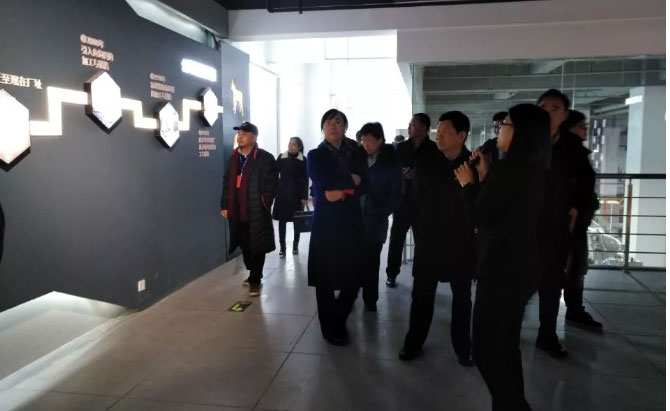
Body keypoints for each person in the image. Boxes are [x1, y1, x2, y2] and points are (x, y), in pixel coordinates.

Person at [455, 104, 550, 411]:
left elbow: (479, 216)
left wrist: (468, 185)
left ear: (520, 132)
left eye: (505, 124)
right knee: (506, 346)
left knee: (485, 350)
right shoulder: (534, 167)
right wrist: (487, 177)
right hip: (522, 266)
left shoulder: (509, 169)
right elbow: (505, 210)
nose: (500, 130)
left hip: (501, 269)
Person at [399, 111, 475, 366]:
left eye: (445, 132)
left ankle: (463, 347)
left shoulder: (474, 164)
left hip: (461, 243)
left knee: (462, 298)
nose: (439, 136)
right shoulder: (427, 161)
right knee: (421, 296)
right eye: (437, 131)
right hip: (429, 240)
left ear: (462, 136)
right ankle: (413, 342)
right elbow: (416, 199)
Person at [536, 89, 596, 358]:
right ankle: (505, 333)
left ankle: (547, 335)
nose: (548, 112)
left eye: (555, 108)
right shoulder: (524, 139)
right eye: (543, 107)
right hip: (524, 224)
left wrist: (577, 209)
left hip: (556, 225)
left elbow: (586, 182)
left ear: (564, 114)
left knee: (551, 282)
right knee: (516, 282)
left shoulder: (572, 146)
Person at [307, 109, 367, 346]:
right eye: (329, 122)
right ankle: (329, 329)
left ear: (345, 127)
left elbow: (365, 183)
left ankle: (339, 319)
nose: (333, 125)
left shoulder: (357, 152)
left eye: (338, 122)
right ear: (323, 127)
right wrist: (350, 182)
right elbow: (322, 183)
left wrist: (338, 190)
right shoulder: (315, 155)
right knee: (324, 278)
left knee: (353, 275)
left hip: (352, 220)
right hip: (326, 222)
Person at [220, 122, 279, 297]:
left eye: (244, 134)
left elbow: (273, 182)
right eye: (239, 133)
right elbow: (226, 183)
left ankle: (255, 279)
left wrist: (265, 201)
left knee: (258, 244)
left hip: (257, 208)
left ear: (254, 137)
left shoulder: (265, 158)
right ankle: (253, 272)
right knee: (244, 243)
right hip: (237, 209)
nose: (240, 137)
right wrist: (225, 205)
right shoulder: (233, 158)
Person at [560, 110, 602, 329]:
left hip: (575, 222)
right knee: (573, 268)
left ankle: (574, 309)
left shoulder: (572, 150)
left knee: (572, 268)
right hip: (571, 223)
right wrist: (575, 209)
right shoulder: (570, 151)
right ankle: (574, 310)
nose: (585, 129)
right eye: (581, 125)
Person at [385, 113, 437, 287]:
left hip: (424, 203)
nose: (409, 128)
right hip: (403, 202)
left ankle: (421, 274)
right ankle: (391, 273)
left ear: (424, 128)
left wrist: (418, 175)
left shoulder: (433, 149)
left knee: (423, 242)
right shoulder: (400, 148)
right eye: (409, 124)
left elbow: (437, 175)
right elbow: (392, 170)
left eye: (413, 125)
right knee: (396, 239)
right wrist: (402, 173)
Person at [358, 122, 403, 312]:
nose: (366, 145)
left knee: (372, 260)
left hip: (376, 219)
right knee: (354, 259)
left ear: (380, 140)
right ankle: (350, 295)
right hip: (355, 218)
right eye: (363, 141)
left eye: (370, 141)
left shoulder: (390, 162)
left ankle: (370, 299)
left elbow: (397, 192)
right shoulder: (357, 158)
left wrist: (383, 211)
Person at [273, 137, 309, 257]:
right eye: (290, 143)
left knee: (296, 222)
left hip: (296, 195)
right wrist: (274, 190)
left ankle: (295, 246)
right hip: (282, 193)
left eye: (294, 144)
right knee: (282, 221)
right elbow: (274, 174)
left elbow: (305, 179)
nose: (290, 145)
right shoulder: (281, 158)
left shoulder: (303, 160)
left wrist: (304, 197)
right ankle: (282, 247)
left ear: (299, 147)